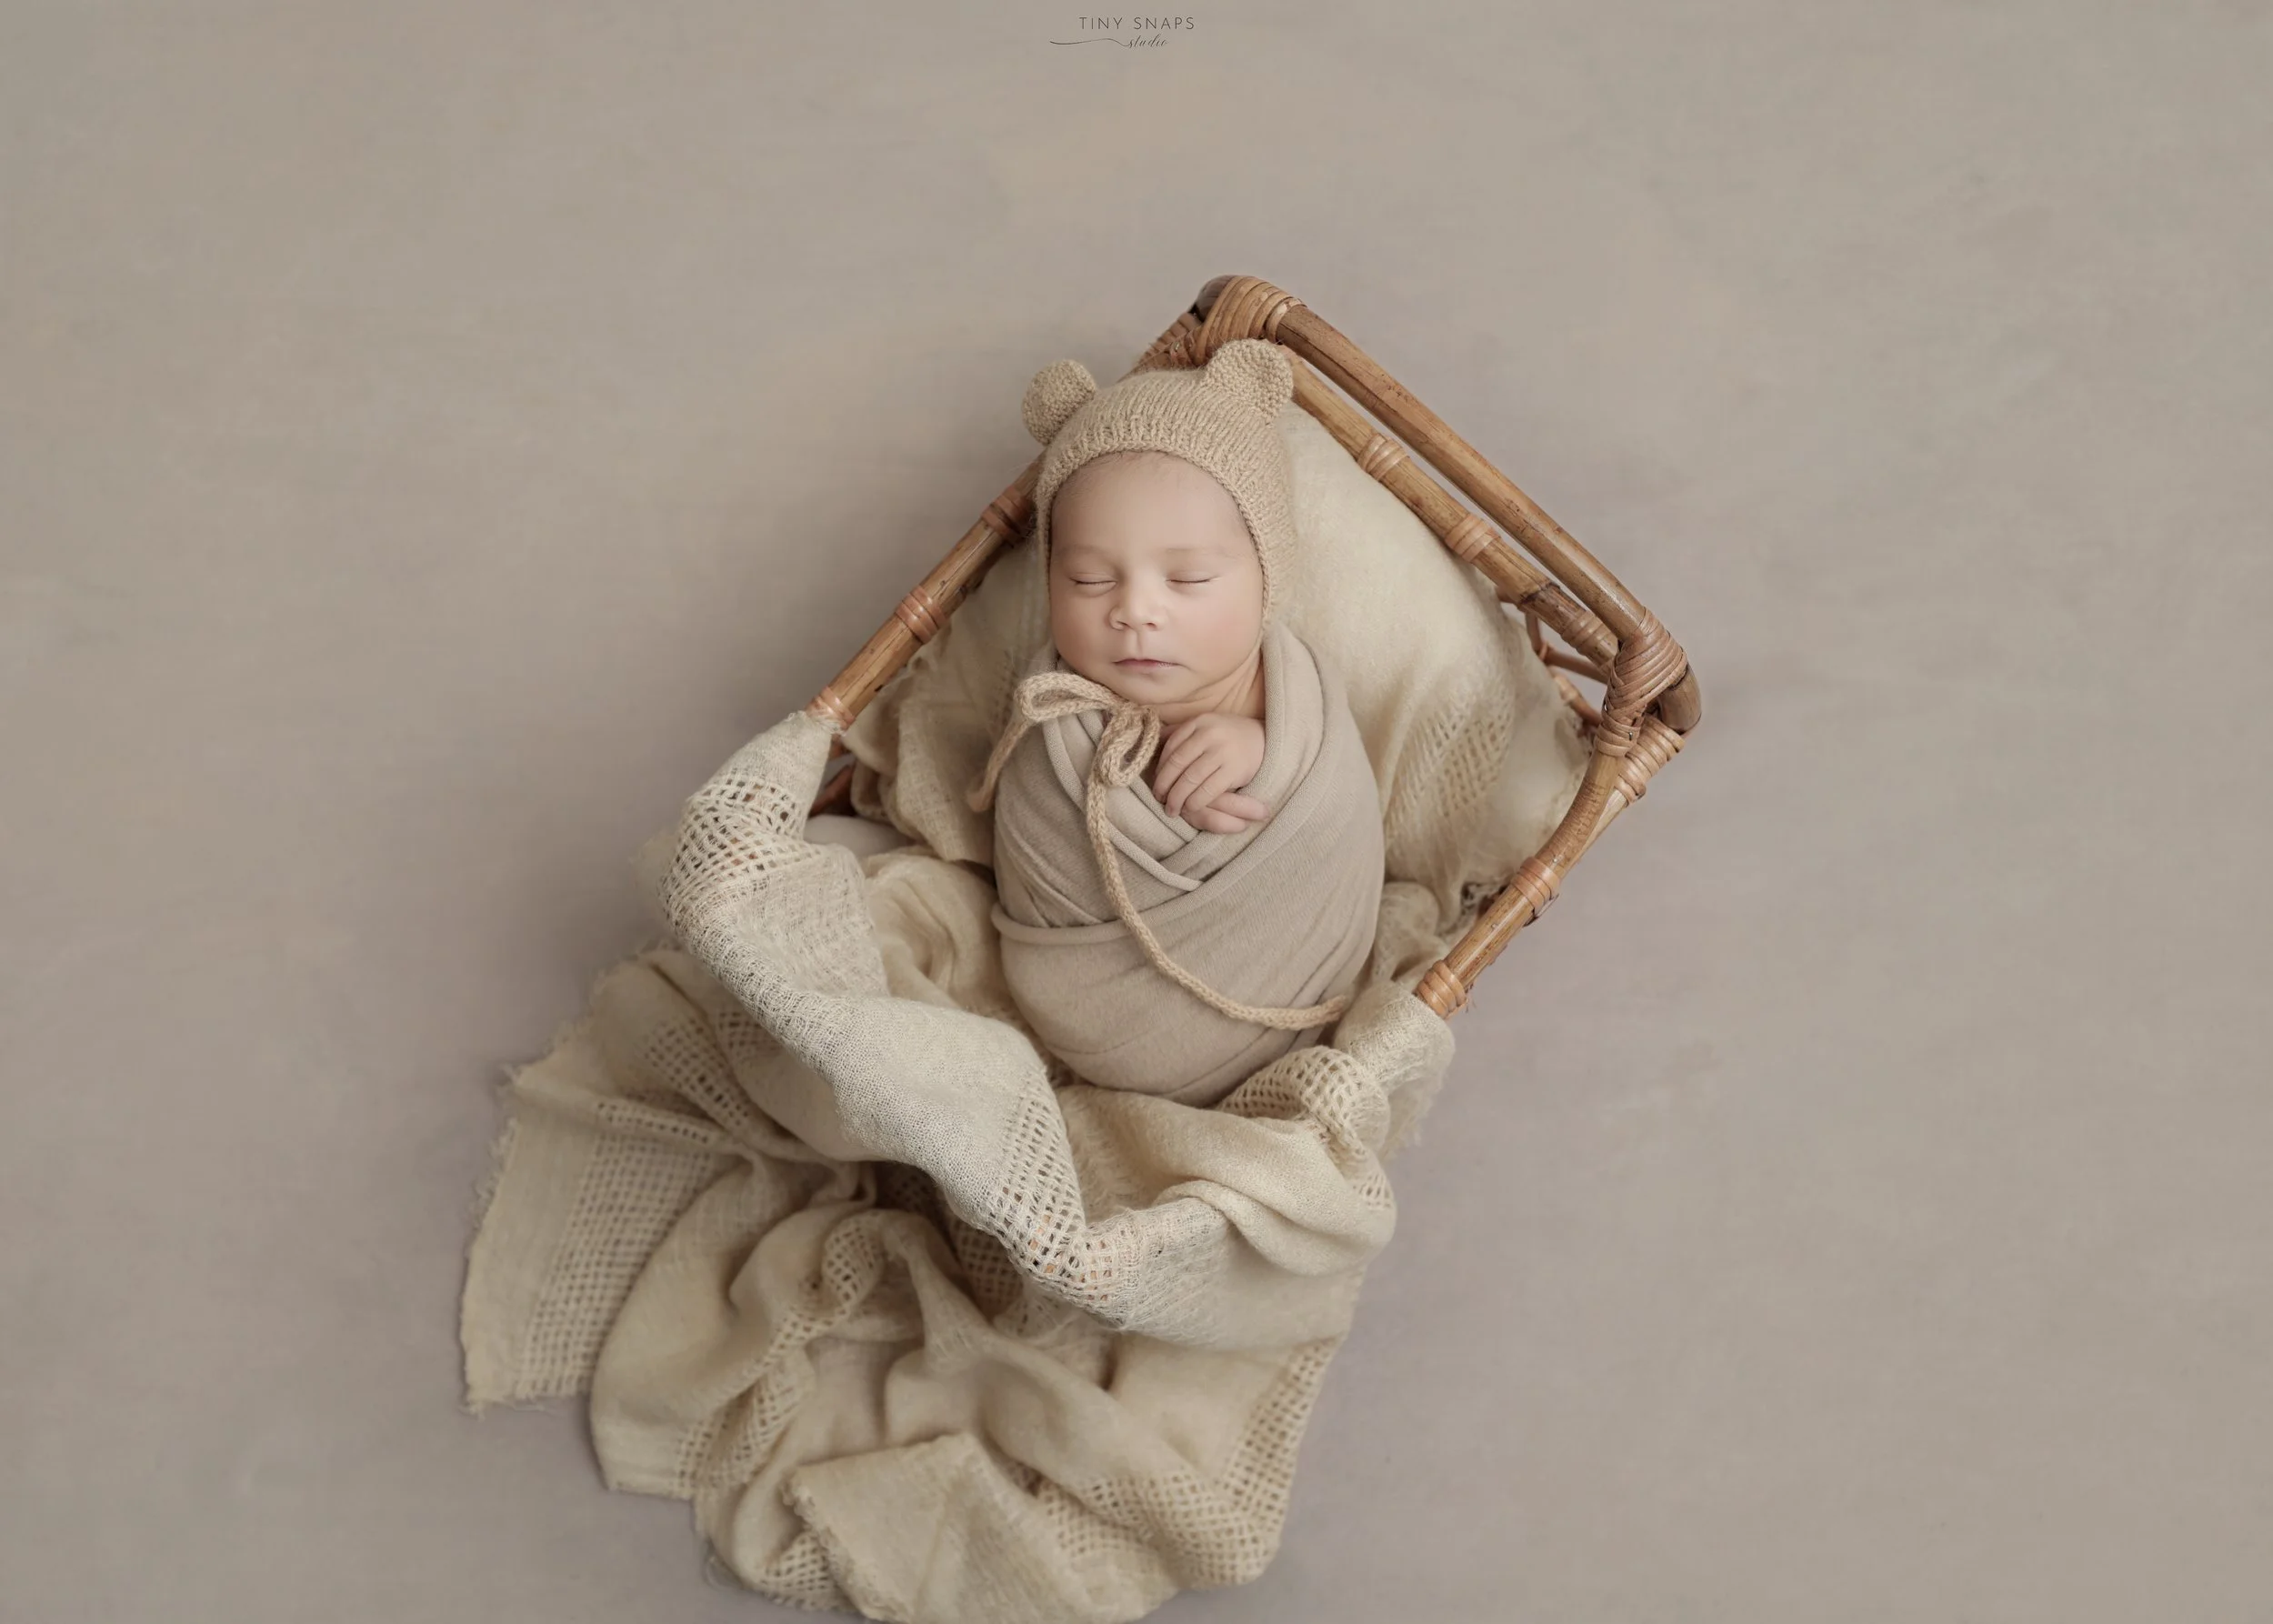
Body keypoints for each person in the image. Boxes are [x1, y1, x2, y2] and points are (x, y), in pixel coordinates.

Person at [967, 338, 1386, 1107]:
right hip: (1088, 1018)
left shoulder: (1297, 698)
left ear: (1267, 577)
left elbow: (1338, 812)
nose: (1133, 612)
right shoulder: (1053, 711)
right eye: (1089, 578)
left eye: (1188, 578)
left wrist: (1270, 752)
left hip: (1276, 1006)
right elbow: (1037, 851)